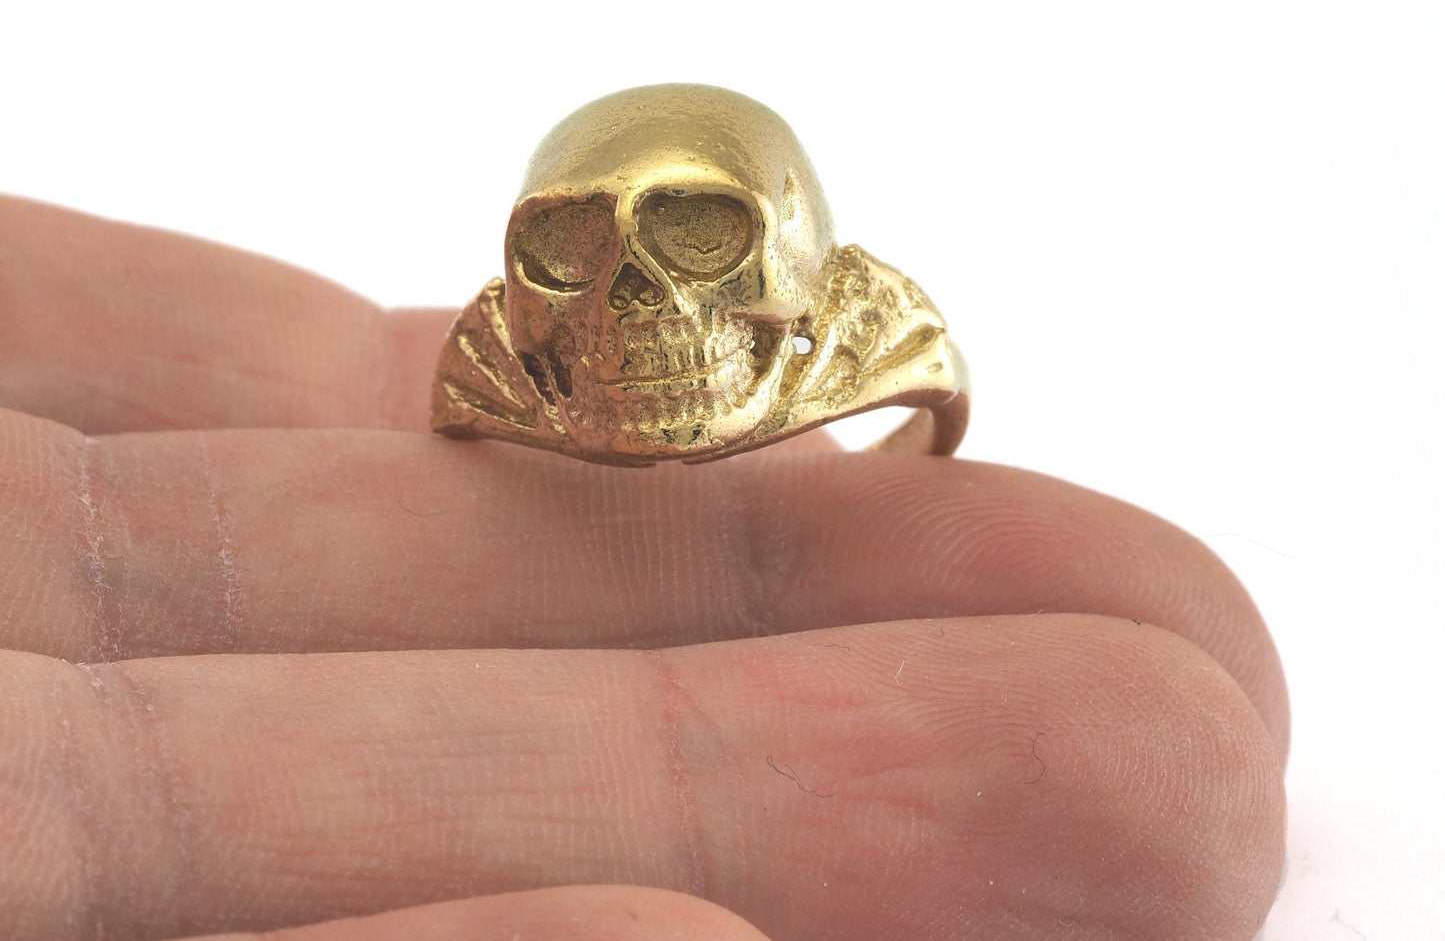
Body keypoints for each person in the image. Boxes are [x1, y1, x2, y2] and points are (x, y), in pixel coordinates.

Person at [0, 194, 1288, 941]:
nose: (631, 306)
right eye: (569, 257)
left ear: (810, 270)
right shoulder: (502, 366)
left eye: (705, 235)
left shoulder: (861, 334)